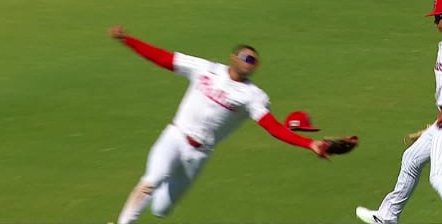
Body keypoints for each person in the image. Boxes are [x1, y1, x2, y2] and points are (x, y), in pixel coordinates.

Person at [109, 26, 331, 224]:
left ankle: (158, 187)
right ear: (233, 57)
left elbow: (273, 128)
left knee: (161, 210)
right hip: (175, 137)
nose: (249, 63)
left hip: (198, 155)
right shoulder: (206, 69)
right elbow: (163, 58)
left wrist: (309, 143)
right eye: (246, 57)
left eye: (254, 61)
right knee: (152, 179)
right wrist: (128, 40)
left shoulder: (253, 96)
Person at [355, 0, 442, 224]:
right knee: (411, 159)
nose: (435, 22)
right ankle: (387, 216)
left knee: (440, 174)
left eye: (439, 17)